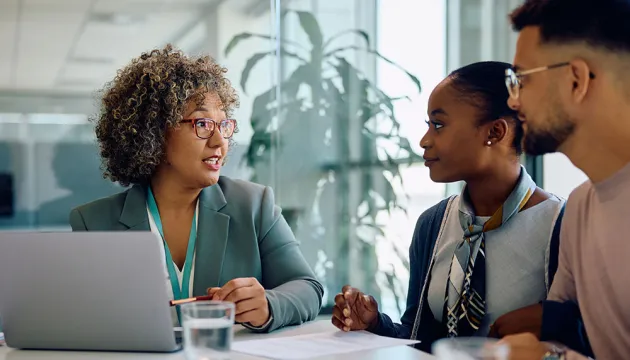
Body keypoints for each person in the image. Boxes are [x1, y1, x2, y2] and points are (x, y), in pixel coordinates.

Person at [69, 44, 323, 333]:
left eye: (224, 125)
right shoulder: (95, 223)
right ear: (155, 132)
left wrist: (268, 306)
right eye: (202, 124)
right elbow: (86, 322)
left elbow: (308, 288)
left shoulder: (254, 205)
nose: (219, 141)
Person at [331, 61, 565, 352]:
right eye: (428, 125)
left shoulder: (561, 226)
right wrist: (374, 324)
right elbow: (422, 340)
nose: (424, 141)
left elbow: (584, 338)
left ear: (494, 132)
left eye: (439, 125)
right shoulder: (434, 223)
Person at [498, 0, 630, 359]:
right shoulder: (581, 207)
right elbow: (560, 334)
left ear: (576, 80)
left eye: (521, 79)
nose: (513, 100)